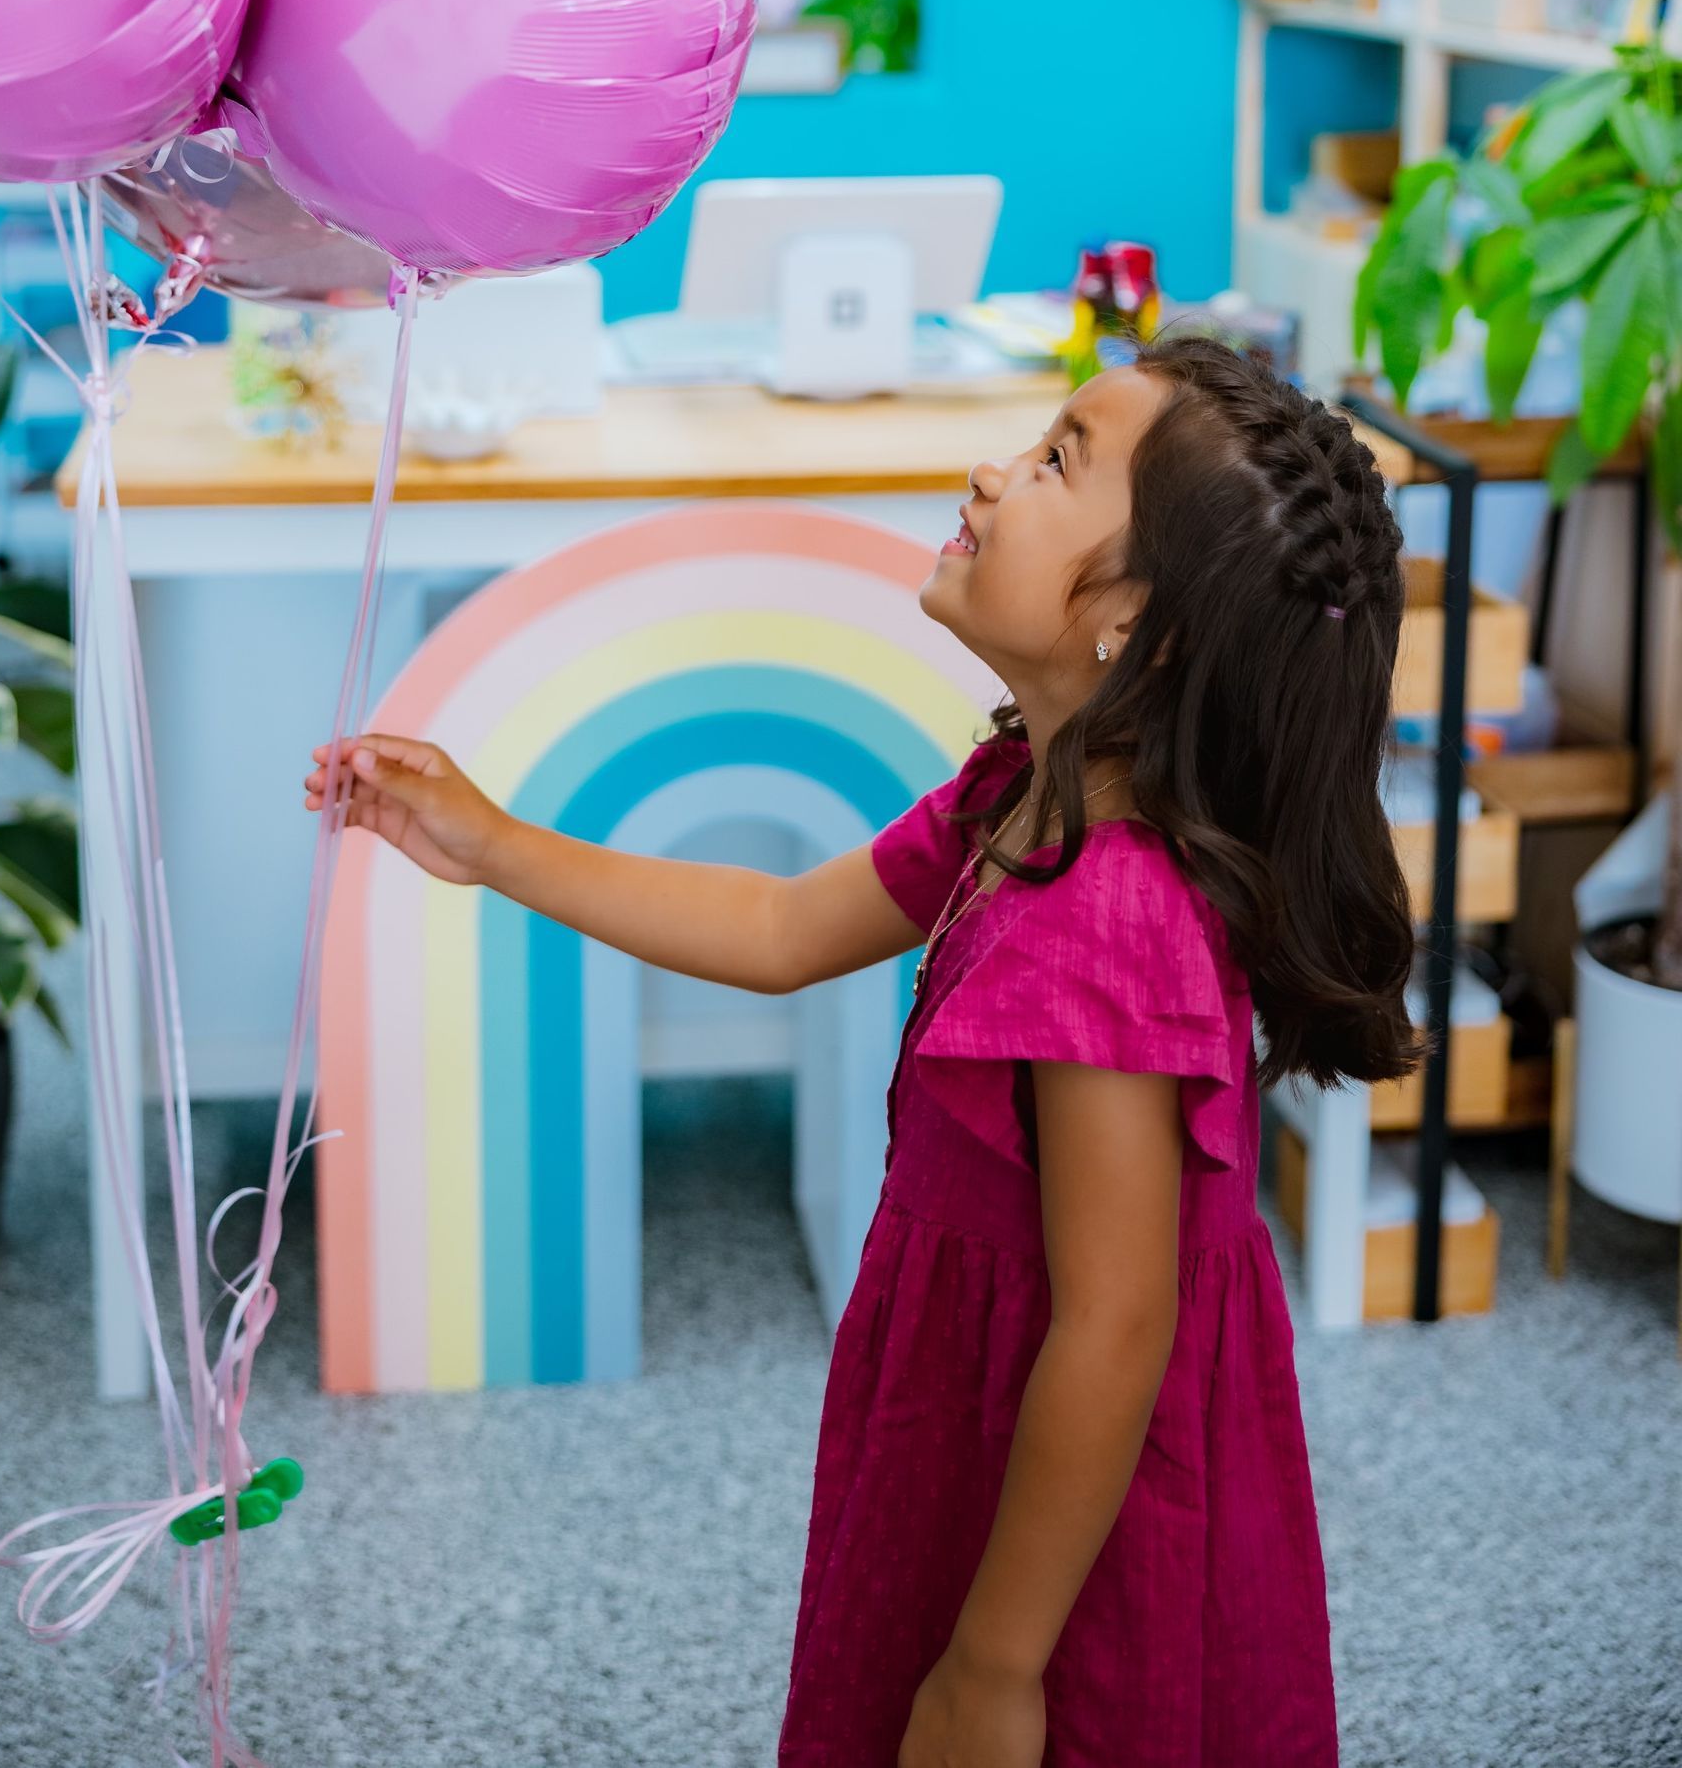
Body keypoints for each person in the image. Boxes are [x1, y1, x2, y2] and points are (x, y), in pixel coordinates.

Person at [309, 339, 1418, 1768]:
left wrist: (998, 1665)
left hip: (1079, 1504)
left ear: (1137, 622)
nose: (992, 470)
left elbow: (1118, 1322)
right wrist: (492, 842)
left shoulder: (1112, 924)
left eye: (1057, 459)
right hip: (971, 1404)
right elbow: (777, 922)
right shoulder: (1023, 790)